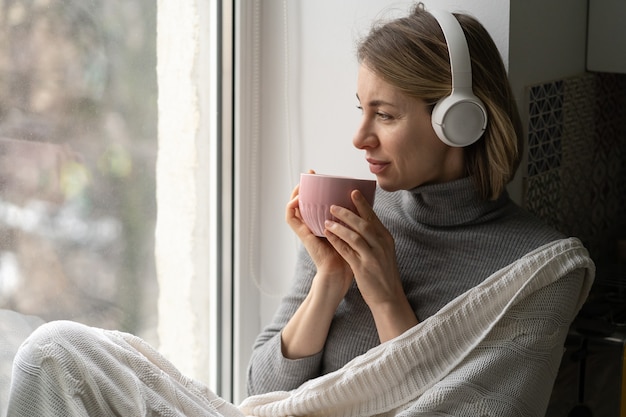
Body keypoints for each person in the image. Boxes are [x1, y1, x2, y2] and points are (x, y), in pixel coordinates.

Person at [6, 4, 594, 417]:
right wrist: (329, 283)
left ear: (459, 121)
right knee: (55, 351)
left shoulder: (541, 271)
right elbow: (260, 390)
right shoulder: (360, 214)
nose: (359, 136)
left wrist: (387, 297)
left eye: (385, 116)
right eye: (360, 108)